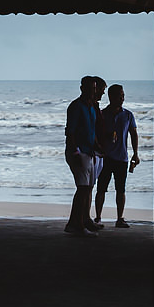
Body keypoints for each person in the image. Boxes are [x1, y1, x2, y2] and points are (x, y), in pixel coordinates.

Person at [94, 84, 139, 228]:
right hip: (105, 157)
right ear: (111, 96)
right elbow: (96, 135)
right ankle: (98, 217)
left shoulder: (128, 115)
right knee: (101, 189)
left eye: (123, 95)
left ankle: (120, 218)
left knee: (121, 189)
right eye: (119, 95)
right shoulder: (102, 114)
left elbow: (133, 134)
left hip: (122, 158)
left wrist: (136, 154)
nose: (122, 98)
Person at [64, 76, 102, 236]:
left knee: (87, 189)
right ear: (82, 89)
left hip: (90, 152)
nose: (93, 92)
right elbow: (70, 131)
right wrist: (75, 152)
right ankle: (74, 225)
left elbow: (91, 131)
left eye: (95, 89)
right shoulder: (75, 106)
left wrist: (97, 146)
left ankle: (83, 221)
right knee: (82, 189)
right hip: (79, 152)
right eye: (90, 89)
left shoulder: (91, 107)